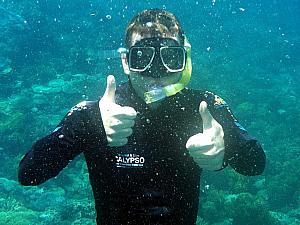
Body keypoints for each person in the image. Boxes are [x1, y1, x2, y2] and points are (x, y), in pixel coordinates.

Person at [18, 9, 266, 225]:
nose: (156, 71)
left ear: (185, 59)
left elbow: (256, 164)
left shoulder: (204, 108)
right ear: (126, 62)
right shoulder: (94, 114)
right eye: (142, 57)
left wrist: (226, 147)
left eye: (169, 57)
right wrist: (89, 125)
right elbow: (28, 173)